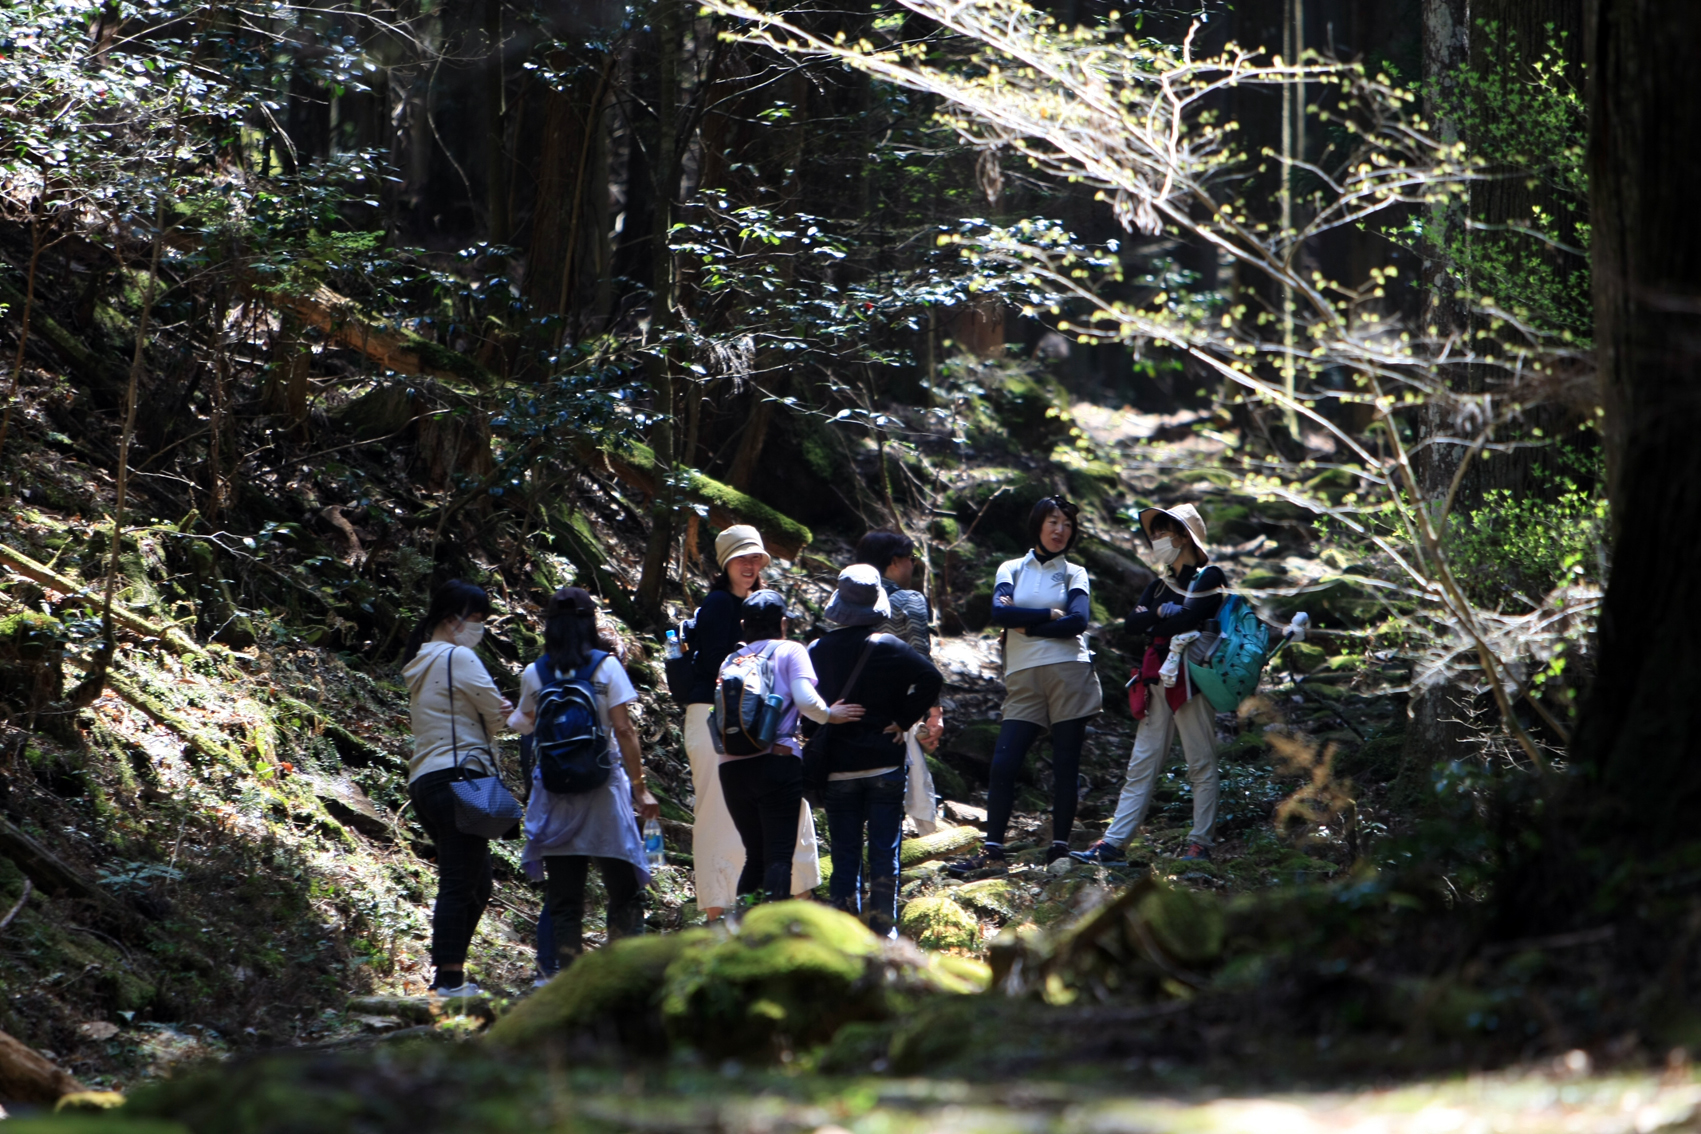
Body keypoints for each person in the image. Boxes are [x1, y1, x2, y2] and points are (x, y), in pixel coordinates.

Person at [507, 588, 660, 978]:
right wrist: (640, 787)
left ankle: (563, 980)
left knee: (564, 899)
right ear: (590, 621)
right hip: (602, 790)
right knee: (623, 889)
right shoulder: (606, 668)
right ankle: (627, 976)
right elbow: (624, 729)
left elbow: (524, 723)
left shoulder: (534, 672)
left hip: (555, 793)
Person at [947, 497, 1102, 875]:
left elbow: (1077, 622)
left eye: (1067, 524)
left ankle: (1060, 849)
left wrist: (1028, 626)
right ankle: (993, 850)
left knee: (1066, 765)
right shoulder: (1011, 568)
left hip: (1069, 672)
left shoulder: (1074, 572)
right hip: (1022, 676)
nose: (1060, 530)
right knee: (1003, 763)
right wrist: (1049, 615)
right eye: (1053, 521)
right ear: (1037, 525)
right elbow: (999, 612)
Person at [680, 525, 823, 918]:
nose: (750, 564)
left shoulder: (762, 608)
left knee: (784, 811)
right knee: (716, 812)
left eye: (756, 557)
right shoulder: (719, 606)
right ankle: (717, 907)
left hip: (764, 727)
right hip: (719, 720)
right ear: (724, 563)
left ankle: (793, 898)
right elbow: (712, 667)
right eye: (741, 557)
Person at [1075, 503, 1226, 865]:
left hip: (1191, 680)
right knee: (1141, 763)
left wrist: (1156, 619)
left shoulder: (1209, 576)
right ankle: (1113, 844)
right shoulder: (1159, 586)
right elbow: (1130, 625)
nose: (1157, 539)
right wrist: (1162, 615)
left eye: (1164, 532)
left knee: (1200, 762)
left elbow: (1190, 618)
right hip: (1156, 679)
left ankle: (1200, 843)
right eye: (1155, 533)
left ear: (1184, 536)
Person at [808, 565, 944, 933]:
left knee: (844, 853)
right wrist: (903, 720)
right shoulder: (891, 646)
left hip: (837, 767)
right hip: (884, 764)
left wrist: (820, 724)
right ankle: (885, 932)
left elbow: (804, 706)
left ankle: (842, 936)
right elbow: (932, 678)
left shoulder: (817, 650)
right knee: (885, 853)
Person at [401, 579, 513, 997]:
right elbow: (497, 713)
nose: (480, 629)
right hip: (459, 776)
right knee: (457, 883)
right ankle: (447, 981)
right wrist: (502, 712)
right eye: (478, 620)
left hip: (426, 782)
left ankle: (449, 976)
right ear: (452, 621)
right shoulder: (458, 657)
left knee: (476, 883)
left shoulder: (419, 662)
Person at [717, 591, 864, 903]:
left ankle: (740, 929)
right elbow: (806, 701)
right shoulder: (790, 650)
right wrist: (829, 716)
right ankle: (773, 934)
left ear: (744, 624)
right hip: (777, 762)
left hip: (731, 768)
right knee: (779, 856)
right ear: (782, 623)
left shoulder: (732, 659)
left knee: (753, 855)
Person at [854, 530, 944, 749]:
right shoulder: (908, 599)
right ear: (894, 561)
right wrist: (934, 712)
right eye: (911, 558)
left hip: (847, 712)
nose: (913, 565)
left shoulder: (845, 602)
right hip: (893, 715)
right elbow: (921, 657)